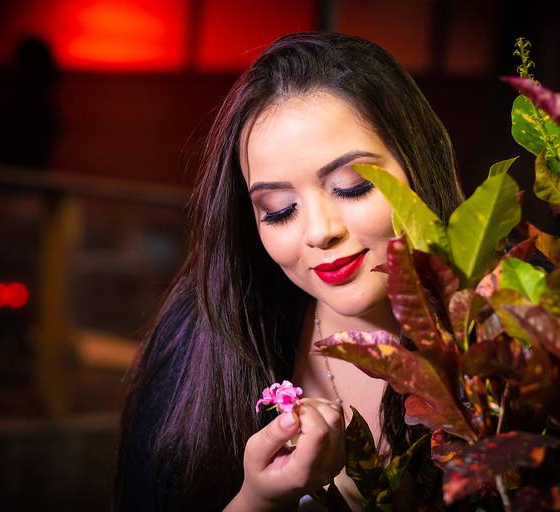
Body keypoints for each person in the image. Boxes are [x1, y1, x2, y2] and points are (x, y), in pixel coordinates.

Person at [114, 32, 464, 511]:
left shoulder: (513, 343)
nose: (320, 232)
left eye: (354, 186)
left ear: (418, 167)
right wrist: (258, 501)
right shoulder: (199, 347)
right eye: (279, 210)